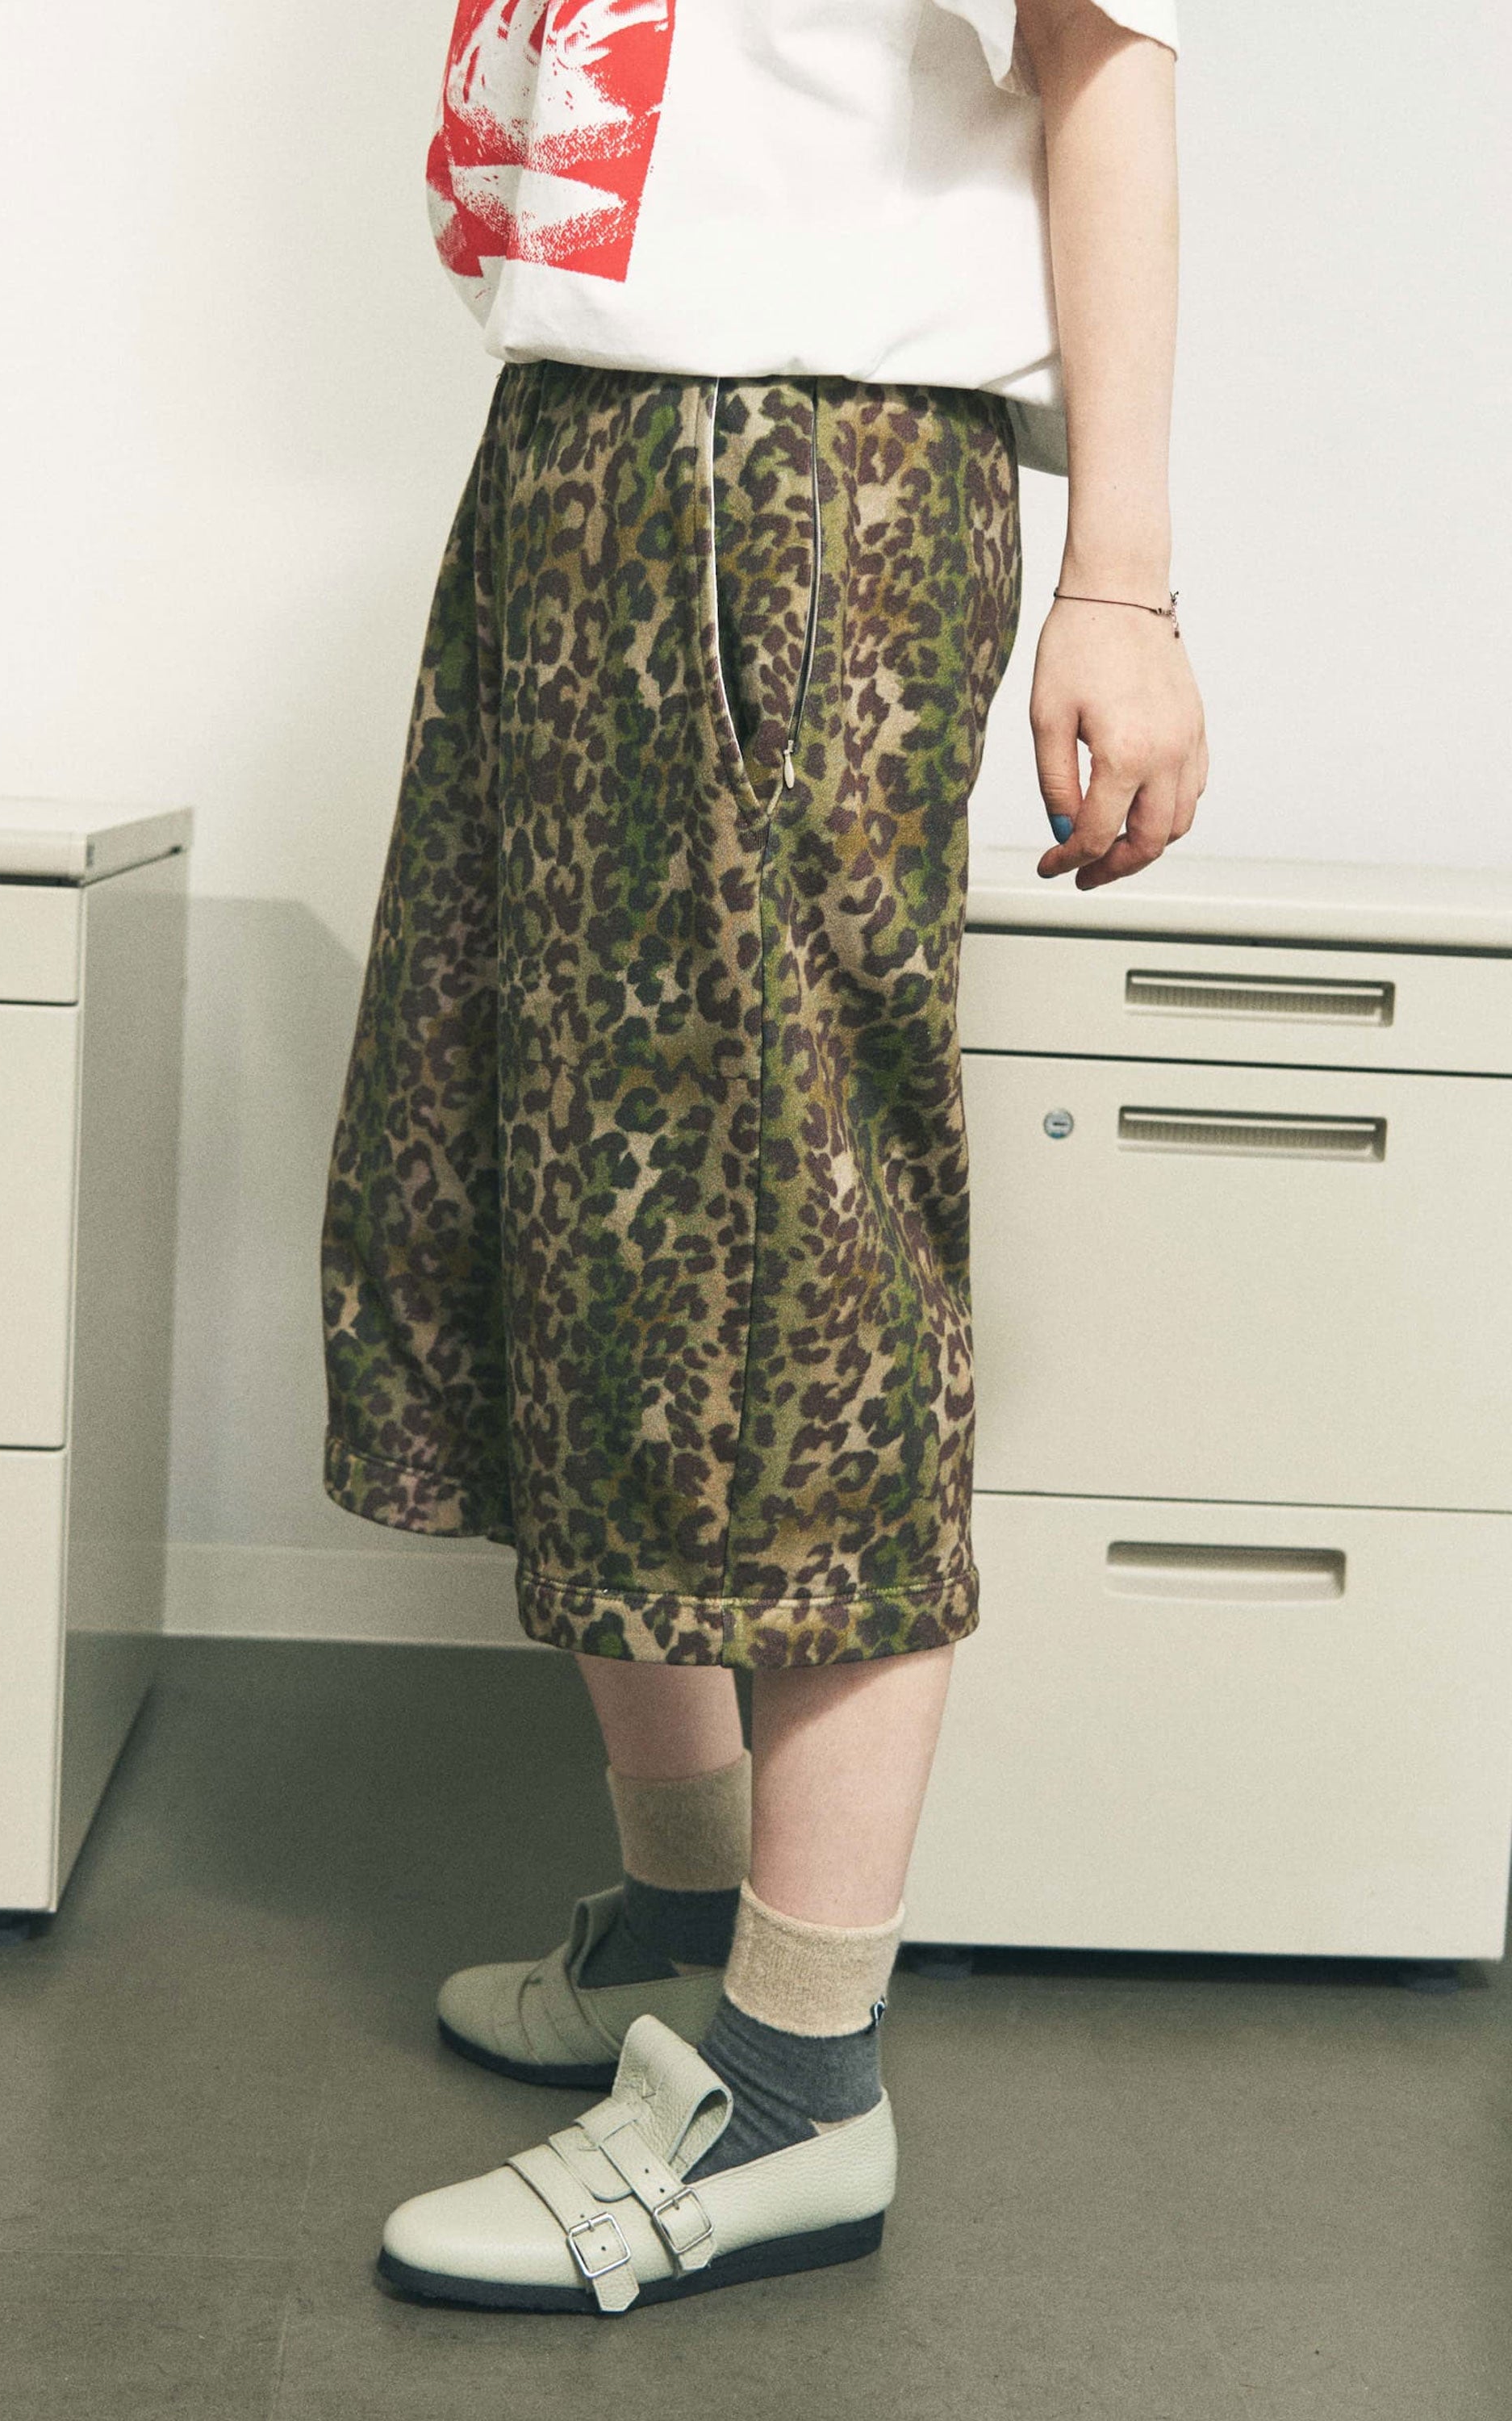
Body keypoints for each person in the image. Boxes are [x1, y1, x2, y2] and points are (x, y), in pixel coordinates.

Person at [320, 0, 1207, 2314]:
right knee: (558, 1204)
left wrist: (1121, 582)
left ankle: (799, 2082)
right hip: (588, 439)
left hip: (799, 469)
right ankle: (689, 1914)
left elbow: (1108, 52)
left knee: (796, 1250)